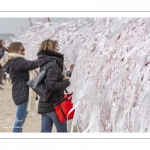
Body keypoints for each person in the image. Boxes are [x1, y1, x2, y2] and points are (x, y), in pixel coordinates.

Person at [0, 42, 38, 132]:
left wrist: (32, 72)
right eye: (22, 49)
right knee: (19, 123)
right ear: (16, 50)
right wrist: (46, 58)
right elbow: (31, 64)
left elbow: (25, 70)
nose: (24, 51)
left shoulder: (14, 61)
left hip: (21, 92)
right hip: (22, 93)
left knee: (20, 122)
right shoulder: (16, 61)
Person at [37, 39, 70, 132]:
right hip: (54, 105)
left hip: (45, 105)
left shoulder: (44, 64)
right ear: (51, 49)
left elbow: (48, 83)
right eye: (56, 47)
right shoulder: (52, 64)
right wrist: (67, 81)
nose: (57, 49)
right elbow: (52, 86)